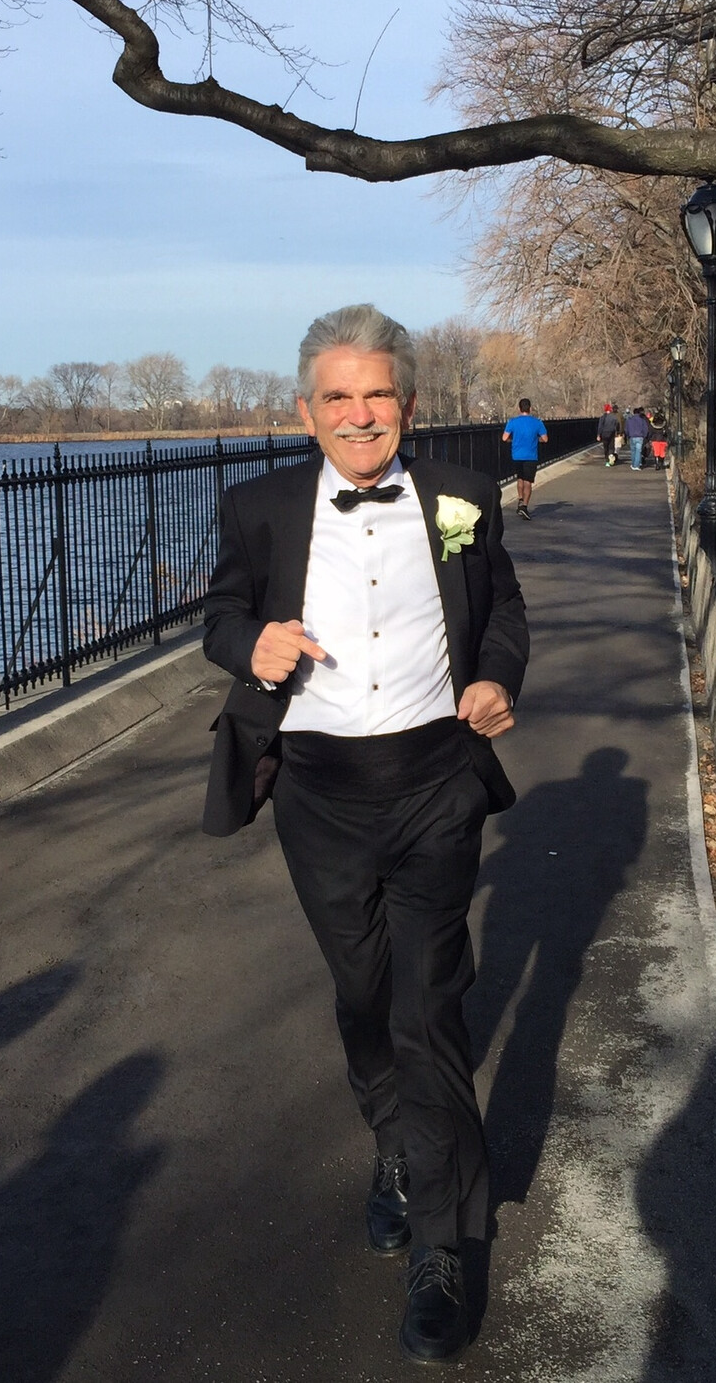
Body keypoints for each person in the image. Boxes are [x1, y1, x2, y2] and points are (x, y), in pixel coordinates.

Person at [201, 304, 528, 1366]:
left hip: (436, 784)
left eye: (376, 393)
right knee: (363, 994)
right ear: (306, 411)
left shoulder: (464, 496)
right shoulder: (258, 507)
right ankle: (393, 1146)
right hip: (320, 795)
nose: (358, 414)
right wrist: (251, 644)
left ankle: (445, 1240)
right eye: (337, 397)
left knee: (428, 1005)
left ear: (409, 405)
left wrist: (497, 677)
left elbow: (503, 607)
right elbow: (220, 615)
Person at [501, 398, 548, 519]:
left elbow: (504, 438)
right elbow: (545, 439)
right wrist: (536, 439)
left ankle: (520, 499)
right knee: (528, 481)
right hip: (531, 456)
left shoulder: (513, 422)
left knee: (520, 478)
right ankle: (524, 506)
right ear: (530, 408)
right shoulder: (537, 422)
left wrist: (513, 440)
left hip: (516, 455)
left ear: (519, 408)